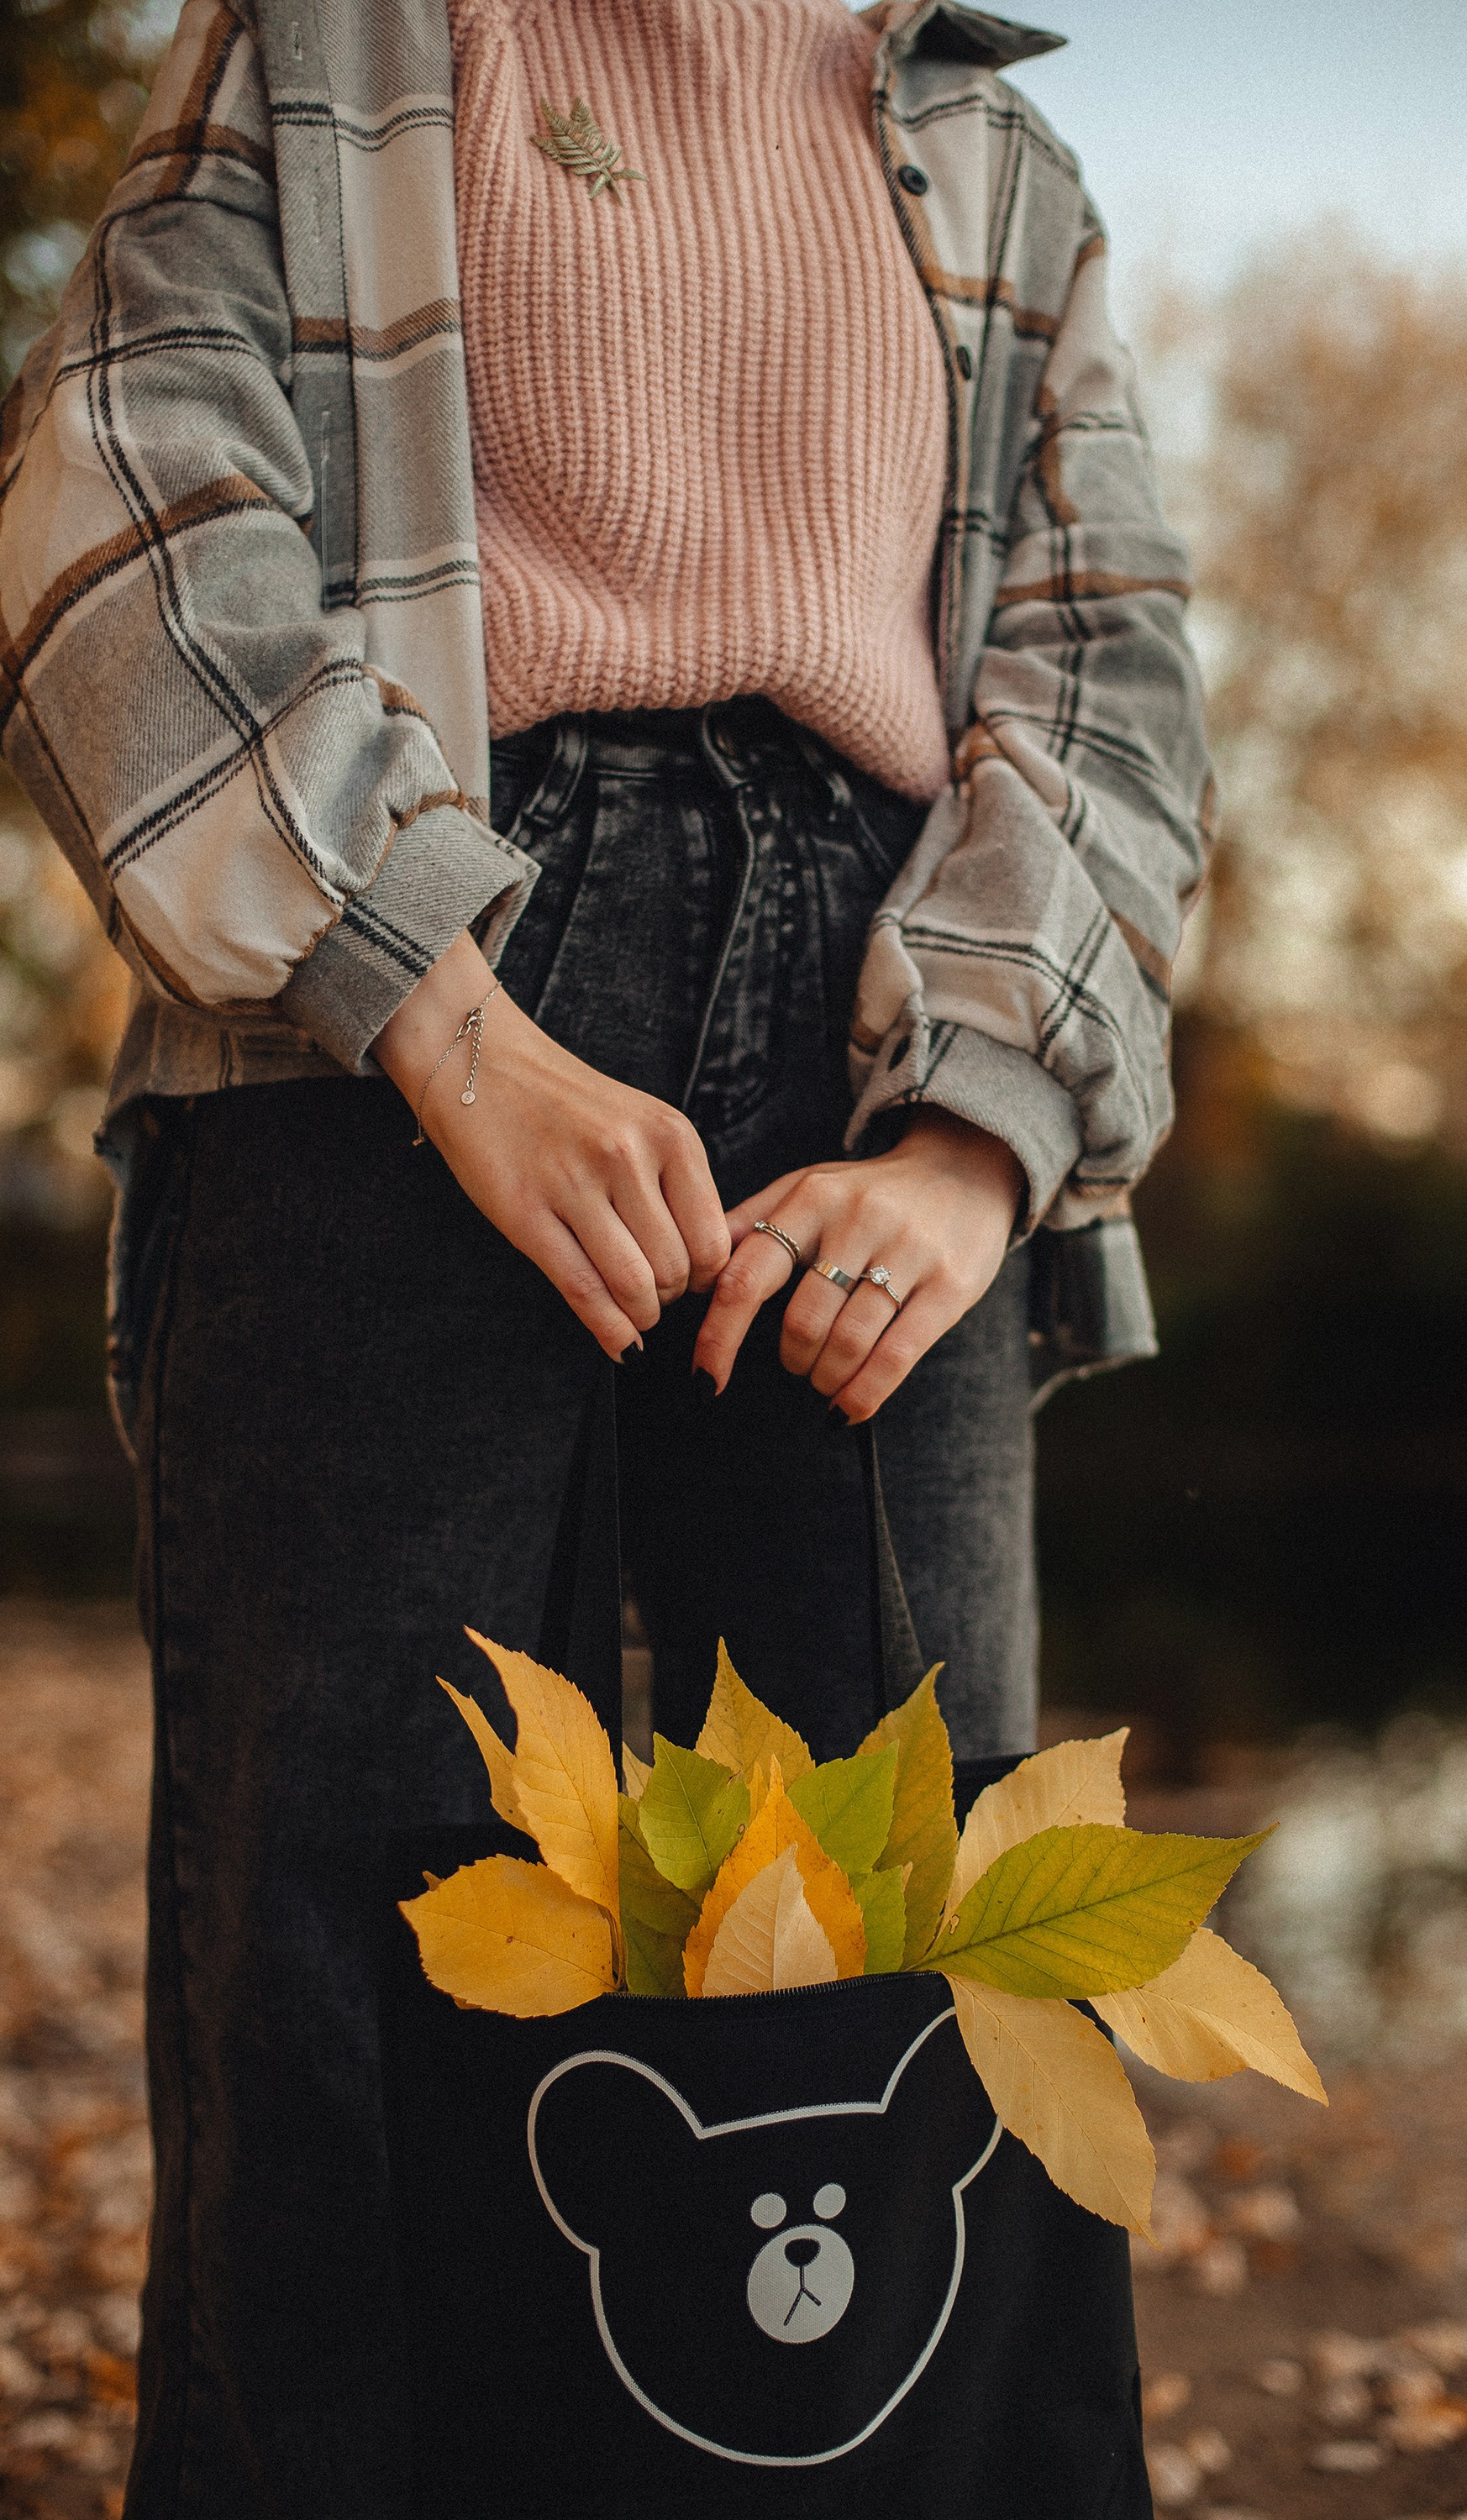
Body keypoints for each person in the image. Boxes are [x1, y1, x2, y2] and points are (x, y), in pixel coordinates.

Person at [0, 0, 1212, 2510]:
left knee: (918, 1950)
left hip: (889, 1018)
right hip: (388, 1002)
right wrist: (434, 1005)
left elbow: (1109, 667)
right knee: (349, 1950)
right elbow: (118, 478)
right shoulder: (330, 30)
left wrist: (975, 1138)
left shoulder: (1000, 151)